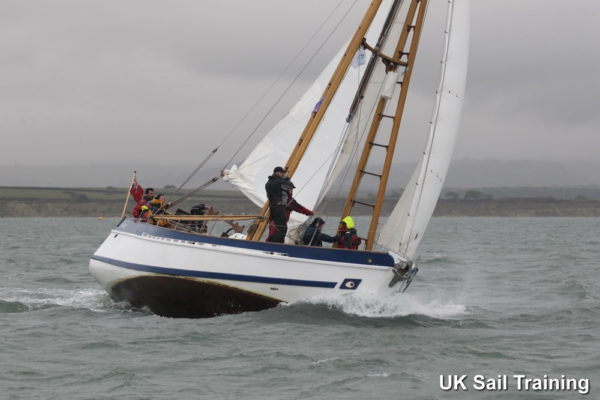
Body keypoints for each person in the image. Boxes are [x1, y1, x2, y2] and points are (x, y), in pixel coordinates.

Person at [265, 166, 313, 243]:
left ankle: (268, 245)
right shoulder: (288, 200)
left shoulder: (268, 183)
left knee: (274, 233)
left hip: (273, 211)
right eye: (290, 190)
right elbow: (299, 208)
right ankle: (275, 246)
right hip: (279, 213)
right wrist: (310, 213)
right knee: (281, 229)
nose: (291, 190)